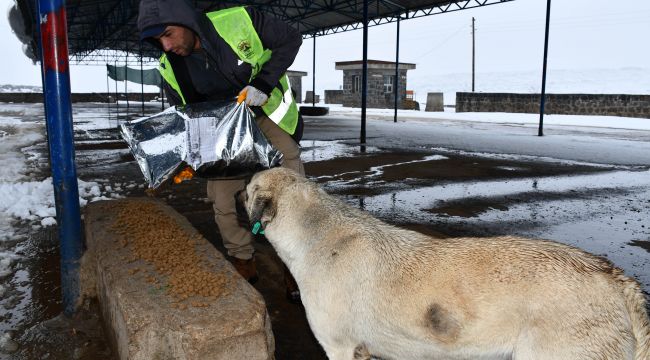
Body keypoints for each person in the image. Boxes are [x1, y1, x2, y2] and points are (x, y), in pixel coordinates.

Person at [137, 0, 304, 302]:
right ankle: (243, 258)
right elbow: (187, 115)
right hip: (222, 130)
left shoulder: (238, 20)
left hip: (264, 113)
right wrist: (188, 158)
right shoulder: (169, 67)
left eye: (168, 34)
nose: (166, 45)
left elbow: (291, 38)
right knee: (221, 197)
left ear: (184, 21)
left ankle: (295, 264)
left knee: (289, 186)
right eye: (158, 41)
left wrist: (263, 83)